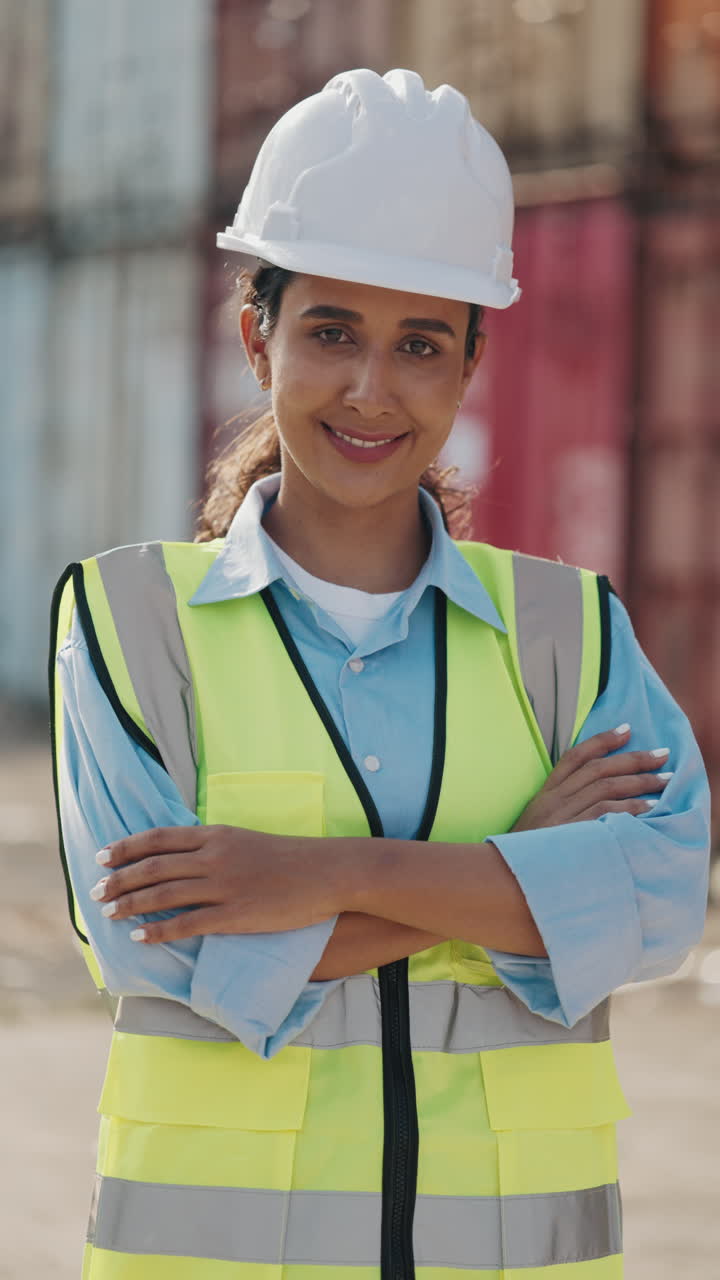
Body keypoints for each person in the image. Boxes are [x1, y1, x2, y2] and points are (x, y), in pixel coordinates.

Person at [50, 69, 709, 1280]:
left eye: (419, 344)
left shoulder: (569, 630)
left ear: (469, 365)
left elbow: (661, 899)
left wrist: (315, 876)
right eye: (332, 331)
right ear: (258, 335)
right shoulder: (130, 622)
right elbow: (162, 951)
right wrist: (520, 872)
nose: (371, 389)